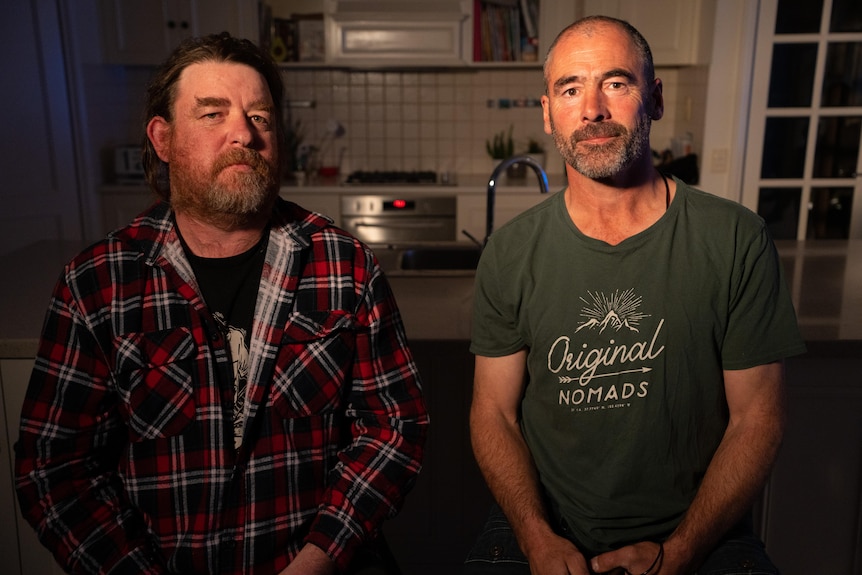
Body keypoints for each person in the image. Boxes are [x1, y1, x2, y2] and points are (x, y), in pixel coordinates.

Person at [15, 32, 428, 575]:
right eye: (213, 114)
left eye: (259, 117)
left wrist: (318, 559)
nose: (244, 133)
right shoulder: (97, 284)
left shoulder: (345, 267)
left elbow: (394, 429)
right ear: (162, 139)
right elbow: (55, 469)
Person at [464, 16, 806, 575]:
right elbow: (493, 413)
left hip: (701, 530)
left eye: (616, 83)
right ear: (549, 112)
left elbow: (757, 418)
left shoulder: (736, 240)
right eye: (570, 88)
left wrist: (683, 550)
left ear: (655, 99)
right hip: (547, 527)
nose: (593, 109)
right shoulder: (510, 253)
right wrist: (536, 538)